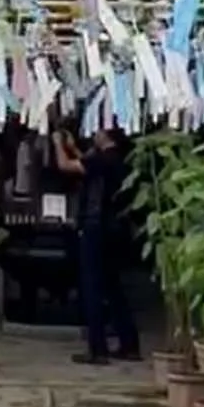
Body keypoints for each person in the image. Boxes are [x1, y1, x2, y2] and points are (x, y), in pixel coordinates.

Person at [54, 125, 141, 364]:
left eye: (98, 129)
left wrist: (57, 144)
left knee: (92, 287)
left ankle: (98, 347)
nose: (94, 133)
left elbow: (66, 166)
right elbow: (88, 165)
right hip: (117, 229)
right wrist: (73, 147)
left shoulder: (102, 160)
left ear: (106, 135)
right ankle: (129, 343)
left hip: (96, 228)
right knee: (114, 287)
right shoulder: (121, 160)